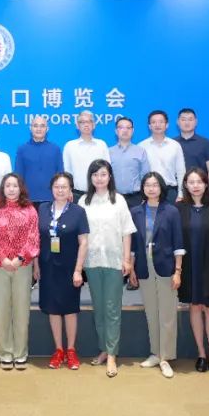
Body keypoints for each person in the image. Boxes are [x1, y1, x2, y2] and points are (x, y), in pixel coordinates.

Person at [78, 159, 135, 377]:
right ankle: (103, 348)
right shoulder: (84, 201)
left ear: (109, 176)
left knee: (112, 309)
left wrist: (127, 260)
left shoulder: (119, 200)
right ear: (90, 178)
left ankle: (112, 354)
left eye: (103, 174)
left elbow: (127, 232)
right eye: (95, 175)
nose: (99, 178)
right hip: (92, 262)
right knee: (99, 308)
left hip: (114, 262)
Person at [129, 172, 184, 378]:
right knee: (151, 312)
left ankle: (165, 357)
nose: (151, 188)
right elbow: (133, 245)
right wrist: (132, 268)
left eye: (155, 185)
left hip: (166, 266)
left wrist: (178, 271)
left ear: (161, 187)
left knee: (167, 313)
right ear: (142, 188)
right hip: (144, 266)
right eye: (147, 185)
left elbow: (178, 243)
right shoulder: (136, 211)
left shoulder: (171, 211)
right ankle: (155, 353)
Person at [0, 173, 39, 370]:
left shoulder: (30, 210)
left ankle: (20, 353)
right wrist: (2, 258)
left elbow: (33, 237)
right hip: (0, 266)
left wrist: (19, 258)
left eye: (15, 185)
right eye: (8, 185)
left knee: (22, 310)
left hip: (23, 266)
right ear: (3, 189)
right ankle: (5, 353)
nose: (11, 189)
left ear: (20, 188)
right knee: (1, 310)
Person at [176, 167, 209, 378]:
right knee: (194, 307)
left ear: (206, 184)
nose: (195, 186)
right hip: (189, 266)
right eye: (191, 182)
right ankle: (201, 354)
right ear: (185, 185)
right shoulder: (179, 209)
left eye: (199, 181)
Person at [36, 172, 90, 370]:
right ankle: (58, 350)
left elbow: (84, 242)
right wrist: (35, 266)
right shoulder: (42, 209)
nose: (60, 190)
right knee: (52, 308)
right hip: (47, 267)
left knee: (69, 309)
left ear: (70, 190)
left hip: (69, 268)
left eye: (64, 187)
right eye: (57, 187)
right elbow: (36, 240)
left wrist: (78, 270)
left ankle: (71, 350)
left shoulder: (78, 212)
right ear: (51, 189)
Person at [14, 115, 63, 208]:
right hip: (28, 199)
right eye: (35, 126)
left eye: (42, 126)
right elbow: (18, 176)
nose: (39, 129)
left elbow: (60, 175)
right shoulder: (22, 149)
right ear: (30, 128)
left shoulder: (55, 149)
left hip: (51, 198)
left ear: (47, 129)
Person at [138, 110, 186, 205]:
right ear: (149, 126)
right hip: (149, 192)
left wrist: (181, 194)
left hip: (170, 192)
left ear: (167, 125)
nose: (157, 125)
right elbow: (139, 174)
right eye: (154, 122)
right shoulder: (141, 146)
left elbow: (181, 171)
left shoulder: (175, 145)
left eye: (161, 122)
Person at [63, 110, 111, 200]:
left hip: (99, 193)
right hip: (76, 194)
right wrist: (68, 190)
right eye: (82, 122)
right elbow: (67, 171)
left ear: (94, 125)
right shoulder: (70, 146)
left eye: (89, 121)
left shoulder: (102, 145)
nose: (86, 125)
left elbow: (108, 170)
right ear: (77, 125)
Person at [110, 116, 151, 212]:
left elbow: (146, 176)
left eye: (128, 128)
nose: (125, 130)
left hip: (136, 198)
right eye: (121, 127)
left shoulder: (140, 151)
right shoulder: (108, 152)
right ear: (116, 131)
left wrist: (145, 196)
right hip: (114, 197)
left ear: (133, 131)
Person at [175, 108, 209, 190]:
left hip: (199, 189)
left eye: (190, 119)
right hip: (176, 190)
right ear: (178, 122)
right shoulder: (172, 144)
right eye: (183, 119)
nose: (187, 122)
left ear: (196, 122)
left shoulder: (206, 143)